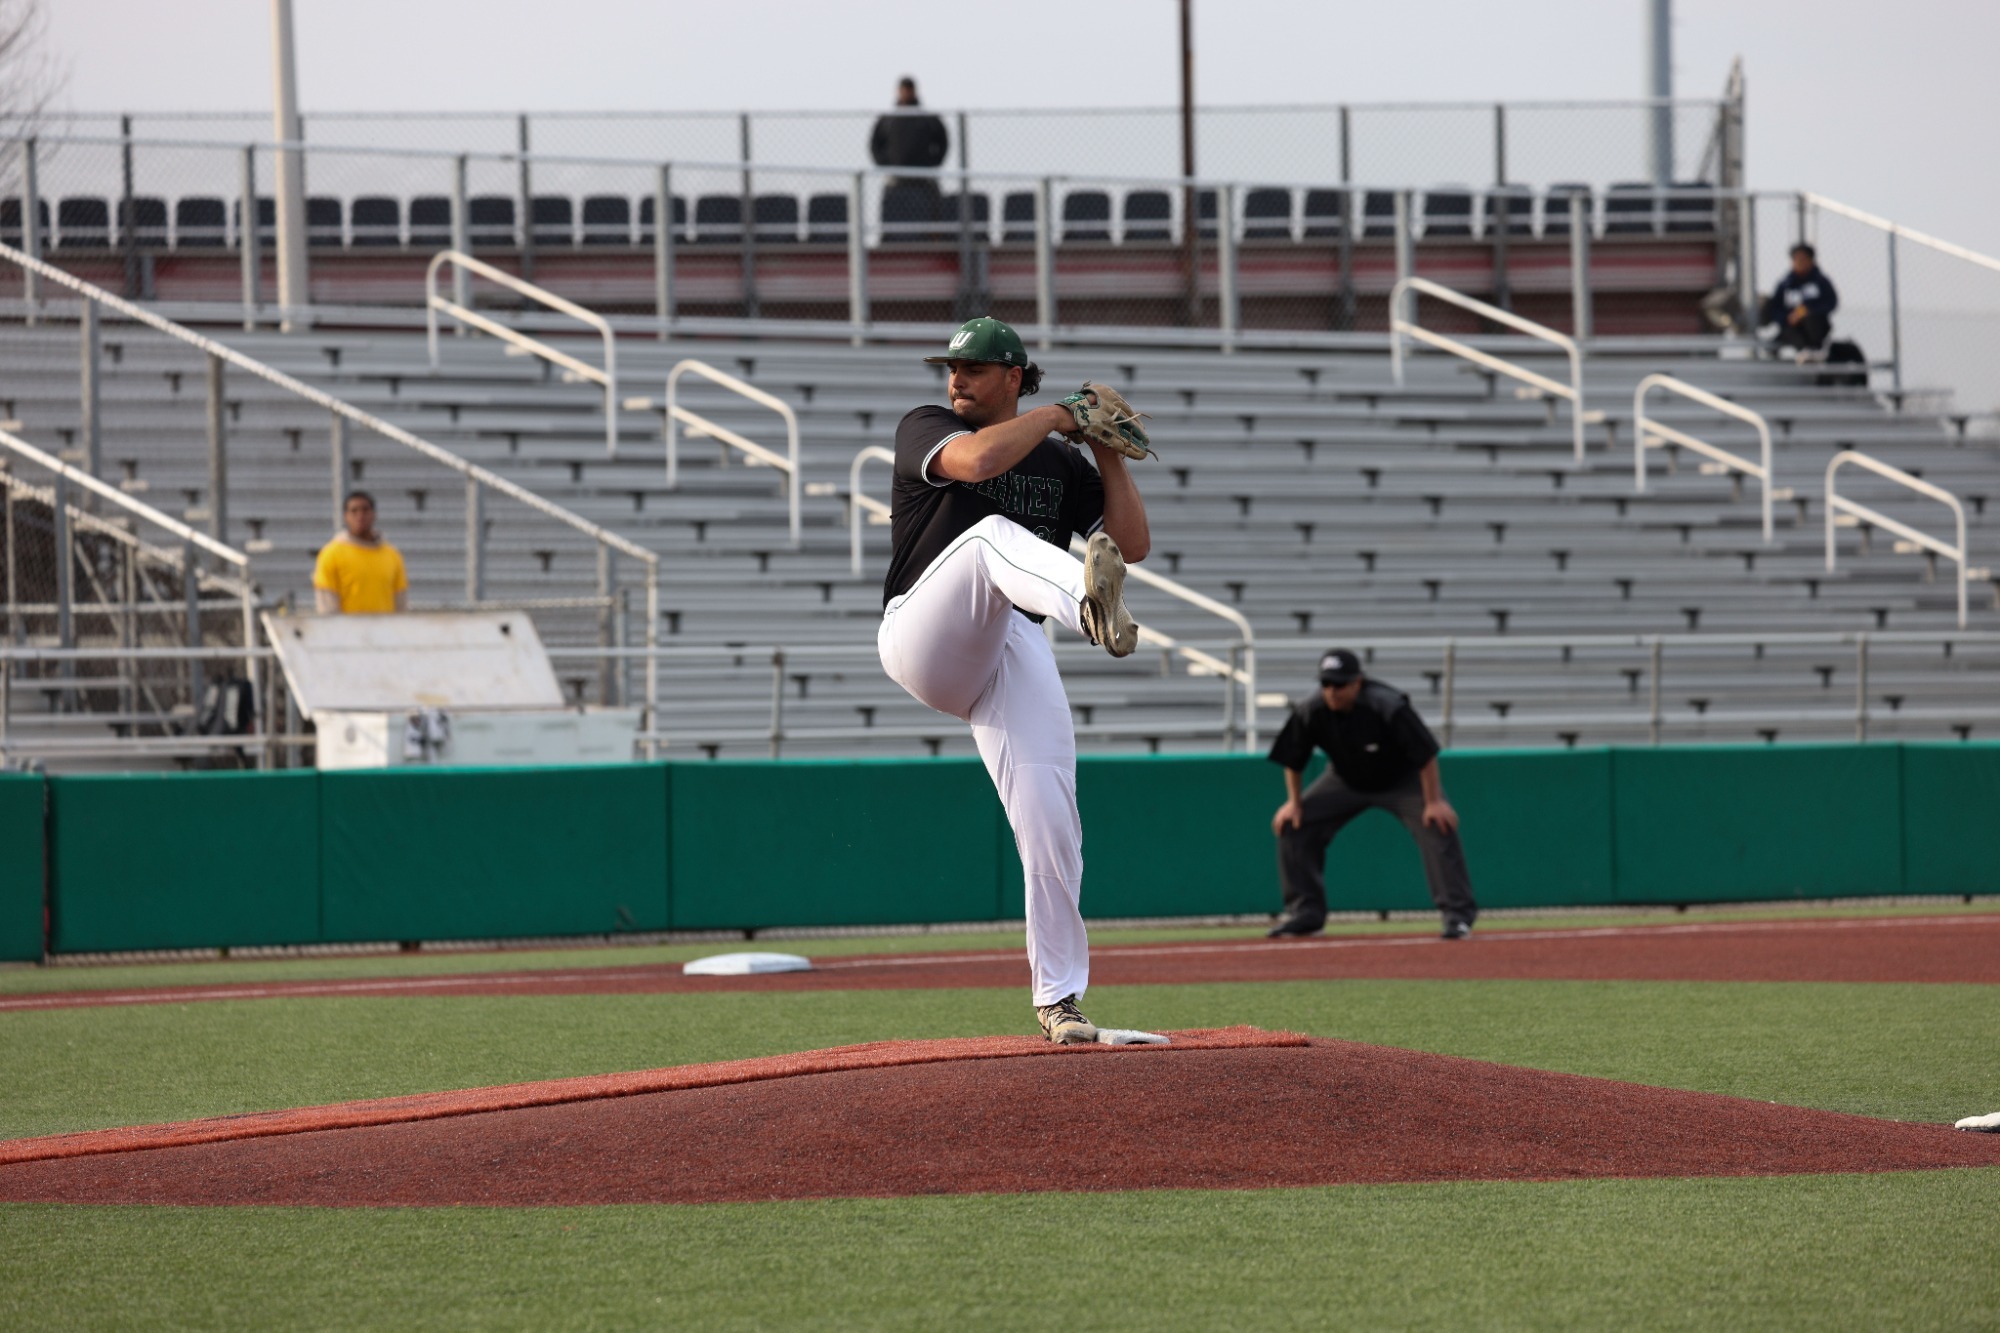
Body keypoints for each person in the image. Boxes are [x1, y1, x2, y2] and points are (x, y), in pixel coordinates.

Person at [879, 315, 1149, 1044]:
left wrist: (1104, 451)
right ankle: (1088, 606)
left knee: (1051, 813)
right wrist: (1061, 414)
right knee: (993, 538)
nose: (955, 379)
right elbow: (975, 464)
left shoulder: (1060, 465)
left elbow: (1132, 544)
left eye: (971, 368)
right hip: (925, 631)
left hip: (1013, 642)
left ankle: (1060, 1000)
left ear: (1013, 377)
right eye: (951, 367)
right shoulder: (927, 425)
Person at [1267, 649, 1479, 941]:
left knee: (1437, 824)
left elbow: (1425, 754)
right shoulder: (1311, 709)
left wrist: (1433, 802)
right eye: (1326, 684)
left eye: (1340, 684)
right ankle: (1306, 914)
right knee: (1294, 825)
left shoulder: (1387, 705)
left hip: (1402, 780)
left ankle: (1458, 916)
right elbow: (1293, 758)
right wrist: (1294, 802)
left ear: (1358, 682)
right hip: (1345, 780)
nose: (1332, 691)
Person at [313, 491, 408, 614]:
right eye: (354, 511)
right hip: (347, 626)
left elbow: (400, 601)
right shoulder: (331, 553)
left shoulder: (392, 555)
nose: (360, 515)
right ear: (345, 516)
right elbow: (327, 603)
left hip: (385, 625)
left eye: (365, 510)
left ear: (374, 514)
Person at [869, 77, 950, 195]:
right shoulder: (888, 119)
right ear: (899, 91)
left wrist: (933, 163)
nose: (906, 93)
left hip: (923, 179)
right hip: (896, 180)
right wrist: (885, 165)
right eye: (904, 90)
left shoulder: (927, 118)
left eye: (909, 90)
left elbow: (943, 141)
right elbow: (875, 144)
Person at [1760, 243, 1839, 355]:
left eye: (1802, 259)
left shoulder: (1820, 282)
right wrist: (1788, 317)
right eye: (1796, 259)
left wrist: (1806, 310)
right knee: (1786, 335)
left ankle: (1814, 352)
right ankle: (1803, 352)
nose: (1799, 262)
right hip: (1793, 328)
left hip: (1815, 328)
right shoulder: (1786, 284)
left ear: (1811, 260)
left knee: (1812, 321)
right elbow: (1776, 307)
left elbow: (1831, 302)